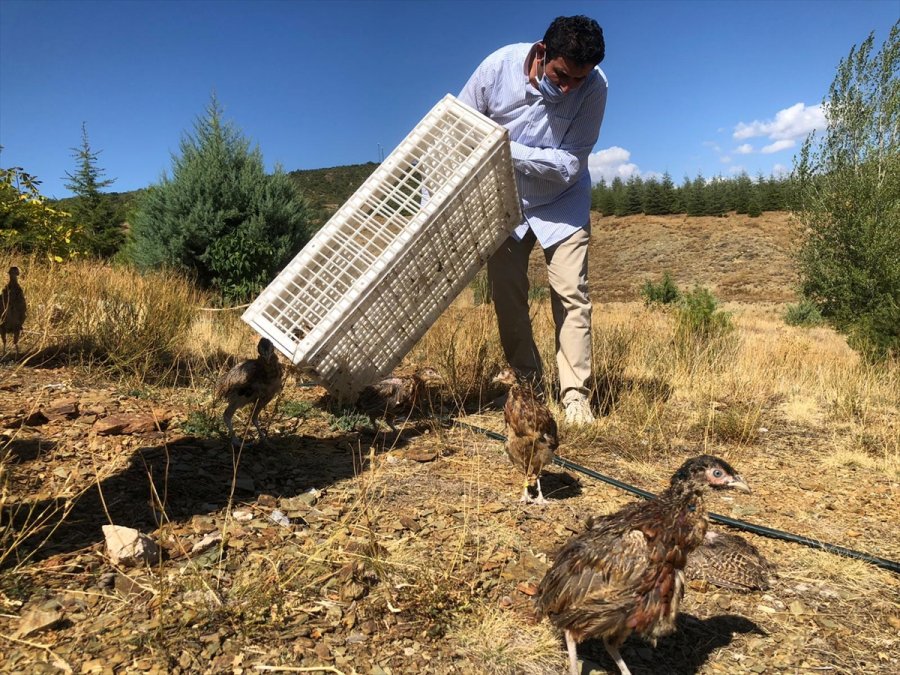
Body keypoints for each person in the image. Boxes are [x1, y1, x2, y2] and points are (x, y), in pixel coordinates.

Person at [459, 15, 607, 424]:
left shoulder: (595, 88)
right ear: (542, 53)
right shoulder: (497, 68)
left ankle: (576, 397)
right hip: (503, 201)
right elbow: (460, 129)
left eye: (579, 79)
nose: (569, 87)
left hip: (563, 203)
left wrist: (504, 148)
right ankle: (527, 381)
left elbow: (568, 165)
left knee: (571, 294)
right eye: (562, 75)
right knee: (507, 294)